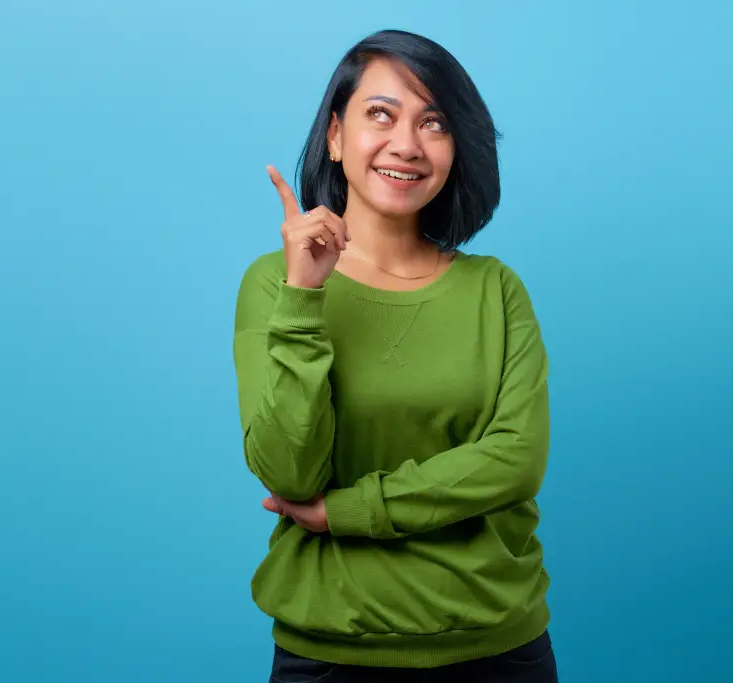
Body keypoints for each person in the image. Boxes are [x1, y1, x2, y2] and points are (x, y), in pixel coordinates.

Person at [232, 29, 557, 683]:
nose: (406, 144)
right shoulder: (275, 284)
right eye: (381, 113)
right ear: (334, 135)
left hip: (498, 648)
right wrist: (303, 297)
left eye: (433, 122)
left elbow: (516, 461)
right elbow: (290, 473)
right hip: (330, 653)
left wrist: (350, 512)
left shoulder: (495, 290)